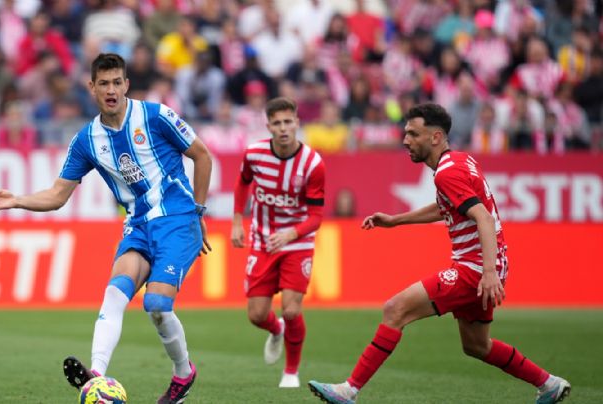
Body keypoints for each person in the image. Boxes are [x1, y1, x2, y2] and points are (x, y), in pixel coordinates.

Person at [0, 53, 213, 404]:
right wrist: (16, 200)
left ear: (127, 84)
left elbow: (202, 155)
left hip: (177, 220)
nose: (111, 90)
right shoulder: (87, 140)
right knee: (115, 293)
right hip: (138, 226)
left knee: (158, 305)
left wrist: (199, 212)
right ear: (92, 88)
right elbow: (57, 195)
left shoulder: (156, 116)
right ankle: (96, 376)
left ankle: (183, 373)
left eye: (117, 82)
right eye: (104, 83)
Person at [307, 103, 571, 404]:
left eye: (413, 133)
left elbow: (482, 217)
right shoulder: (460, 162)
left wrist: (487, 273)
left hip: (475, 268)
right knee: (476, 345)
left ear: (435, 137)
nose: (405, 140)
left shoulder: (446, 173)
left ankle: (348, 390)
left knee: (395, 309)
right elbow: (450, 206)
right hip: (486, 263)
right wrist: (395, 220)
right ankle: (548, 384)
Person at [231, 97, 326, 388]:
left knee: (291, 309)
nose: (284, 128)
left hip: (297, 243)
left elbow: (316, 216)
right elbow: (242, 183)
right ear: (268, 126)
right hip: (262, 240)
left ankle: (291, 371)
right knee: (257, 315)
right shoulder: (255, 154)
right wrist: (237, 221)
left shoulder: (312, 164)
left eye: (288, 122)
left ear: (297, 122)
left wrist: (291, 234)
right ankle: (276, 330)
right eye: (277, 123)